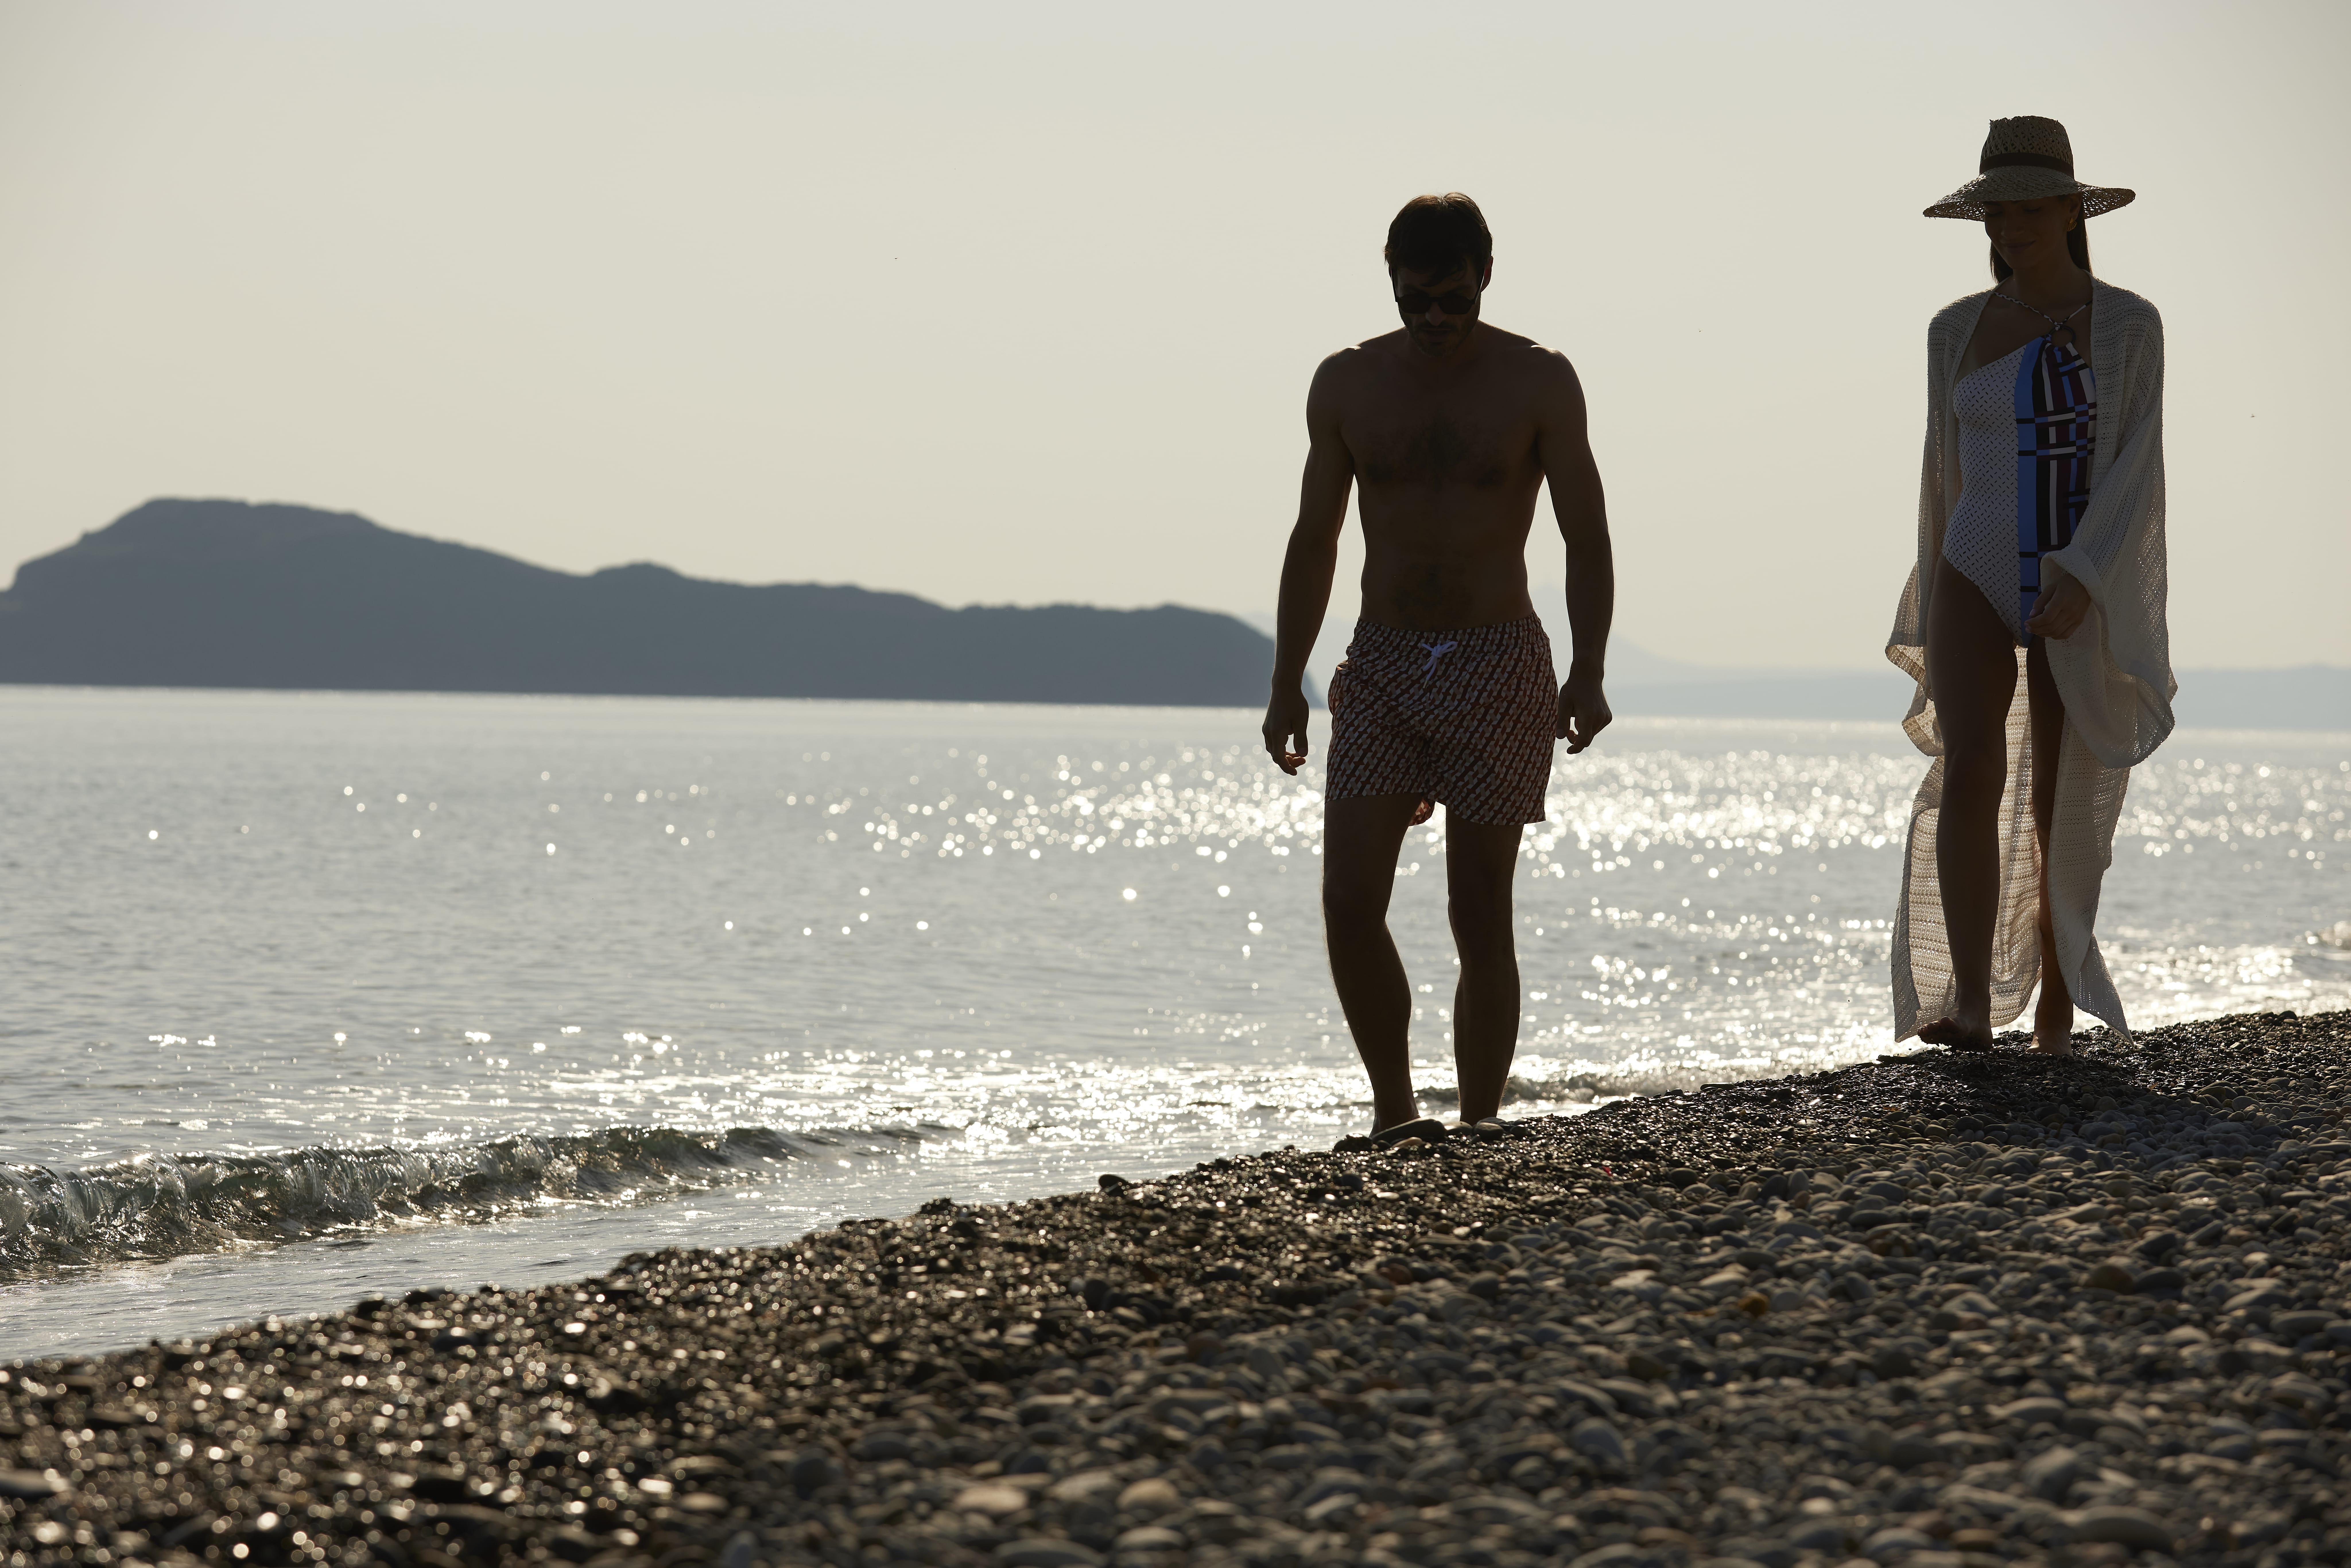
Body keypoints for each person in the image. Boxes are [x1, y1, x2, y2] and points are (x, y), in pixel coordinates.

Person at [1260, 193, 1614, 1142]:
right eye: (1417, 300)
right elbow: (1315, 539)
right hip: (1380, 663)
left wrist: (1590, 670)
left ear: (1485, 276)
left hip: (1500, 660)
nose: (1435, 320)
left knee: (1479, 911)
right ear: (1393, 282)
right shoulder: (1347, 383)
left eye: (1452, 299)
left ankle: (1483, 1121)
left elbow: (1586, 533)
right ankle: (1394, 1114)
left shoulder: (1539, 381)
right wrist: (1286, 678)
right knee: (1347, 902)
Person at [1886, 117, 2175, 1055]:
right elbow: (1944, 473)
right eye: (1996, 212)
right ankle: (1970, 999)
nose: (2010, 228)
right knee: (1972, 766)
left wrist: (2087, 578)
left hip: (2071, 571)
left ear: (2068, 209)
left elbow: (2134, 468)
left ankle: (2057, 994)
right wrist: (1930, 593)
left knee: (2058, 790)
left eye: (2027, 209)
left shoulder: (2129, 324)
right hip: (1972, 561)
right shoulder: (1953, 329)